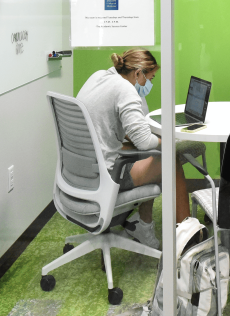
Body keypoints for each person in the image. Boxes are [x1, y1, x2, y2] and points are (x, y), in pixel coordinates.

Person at [75, 48, 192, 250]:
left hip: (78, 171)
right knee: (170, 161)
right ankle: (189, 241)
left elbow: (106, 122)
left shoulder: (100, 77)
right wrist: (168, 142)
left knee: (152, 155)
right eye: (151, 78)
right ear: (138, 73)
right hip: (106, 176)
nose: (150, 84)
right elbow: (145, 142)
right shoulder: (125, 89)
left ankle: (142, 223)